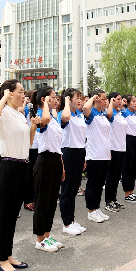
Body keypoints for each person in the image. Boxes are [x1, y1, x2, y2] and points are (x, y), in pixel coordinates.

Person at [0, 80, 38, 271]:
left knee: (13, 215)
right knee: (5, 216)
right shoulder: (2, 112)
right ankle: (2, 260)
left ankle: (8, 255)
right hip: (8, 166)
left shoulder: (18, 114)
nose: (24, 95)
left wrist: (33, 127)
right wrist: (4, 97)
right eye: (20, 91)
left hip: (23, 165)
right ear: (9, 93)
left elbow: (28, 143)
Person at [32, 86, 65, 252]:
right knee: (42, 201)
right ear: (44, 99)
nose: (56, 99)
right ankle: (39, 239)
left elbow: (57, 145)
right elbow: (44, 120)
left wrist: (62, 166)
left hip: (56, 160)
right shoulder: (40, 115)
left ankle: (47, 235)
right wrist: (45, 104)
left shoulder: (54, 117)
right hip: (44, 160)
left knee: (52, 201)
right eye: (53, 96)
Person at [57, 88, 88, 235]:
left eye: (81, 98)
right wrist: (66, 103)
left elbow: (82, 137)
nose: (80, 100)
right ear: (68, 99)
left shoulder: (79, 115)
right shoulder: (64, 113)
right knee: (67, 190)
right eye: (77, 98)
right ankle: (67, 223)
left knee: (74, 189)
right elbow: (65, 118)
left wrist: (84, 157)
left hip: (80, 152)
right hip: (68, 152)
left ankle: (72, 220)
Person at [83, 89, 113, 223]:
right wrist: (92, 98)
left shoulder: (102, 115)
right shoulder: (92, 113)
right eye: (103, 98)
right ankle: (91, 210)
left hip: (105, 154)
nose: (106, 101)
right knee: (93, 184)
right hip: (94, 155)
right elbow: (85, 107)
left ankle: (97, 208)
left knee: (100, 184)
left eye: (106, 99)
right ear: (96, 99)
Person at [104, 92, 127, 213]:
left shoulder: (120, 113)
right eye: (118, 99)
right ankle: (109, 201)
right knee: (111, 176)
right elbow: (108, 115)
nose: (120, 101)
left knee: (117, 176)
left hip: (122, 147)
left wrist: (120, 105)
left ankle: (114, 198)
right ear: (112, 100)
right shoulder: (110, 113)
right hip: (114, 148)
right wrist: (111, 103)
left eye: (121, 99)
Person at [121, 95, 136, 204]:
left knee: (135, 166)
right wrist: (122, 103)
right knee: (128, 167)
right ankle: (127, 192)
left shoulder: (135, 114)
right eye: (133, 101)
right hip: (128, 139)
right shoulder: (124, 113)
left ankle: (131, 191)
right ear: (127, 103)